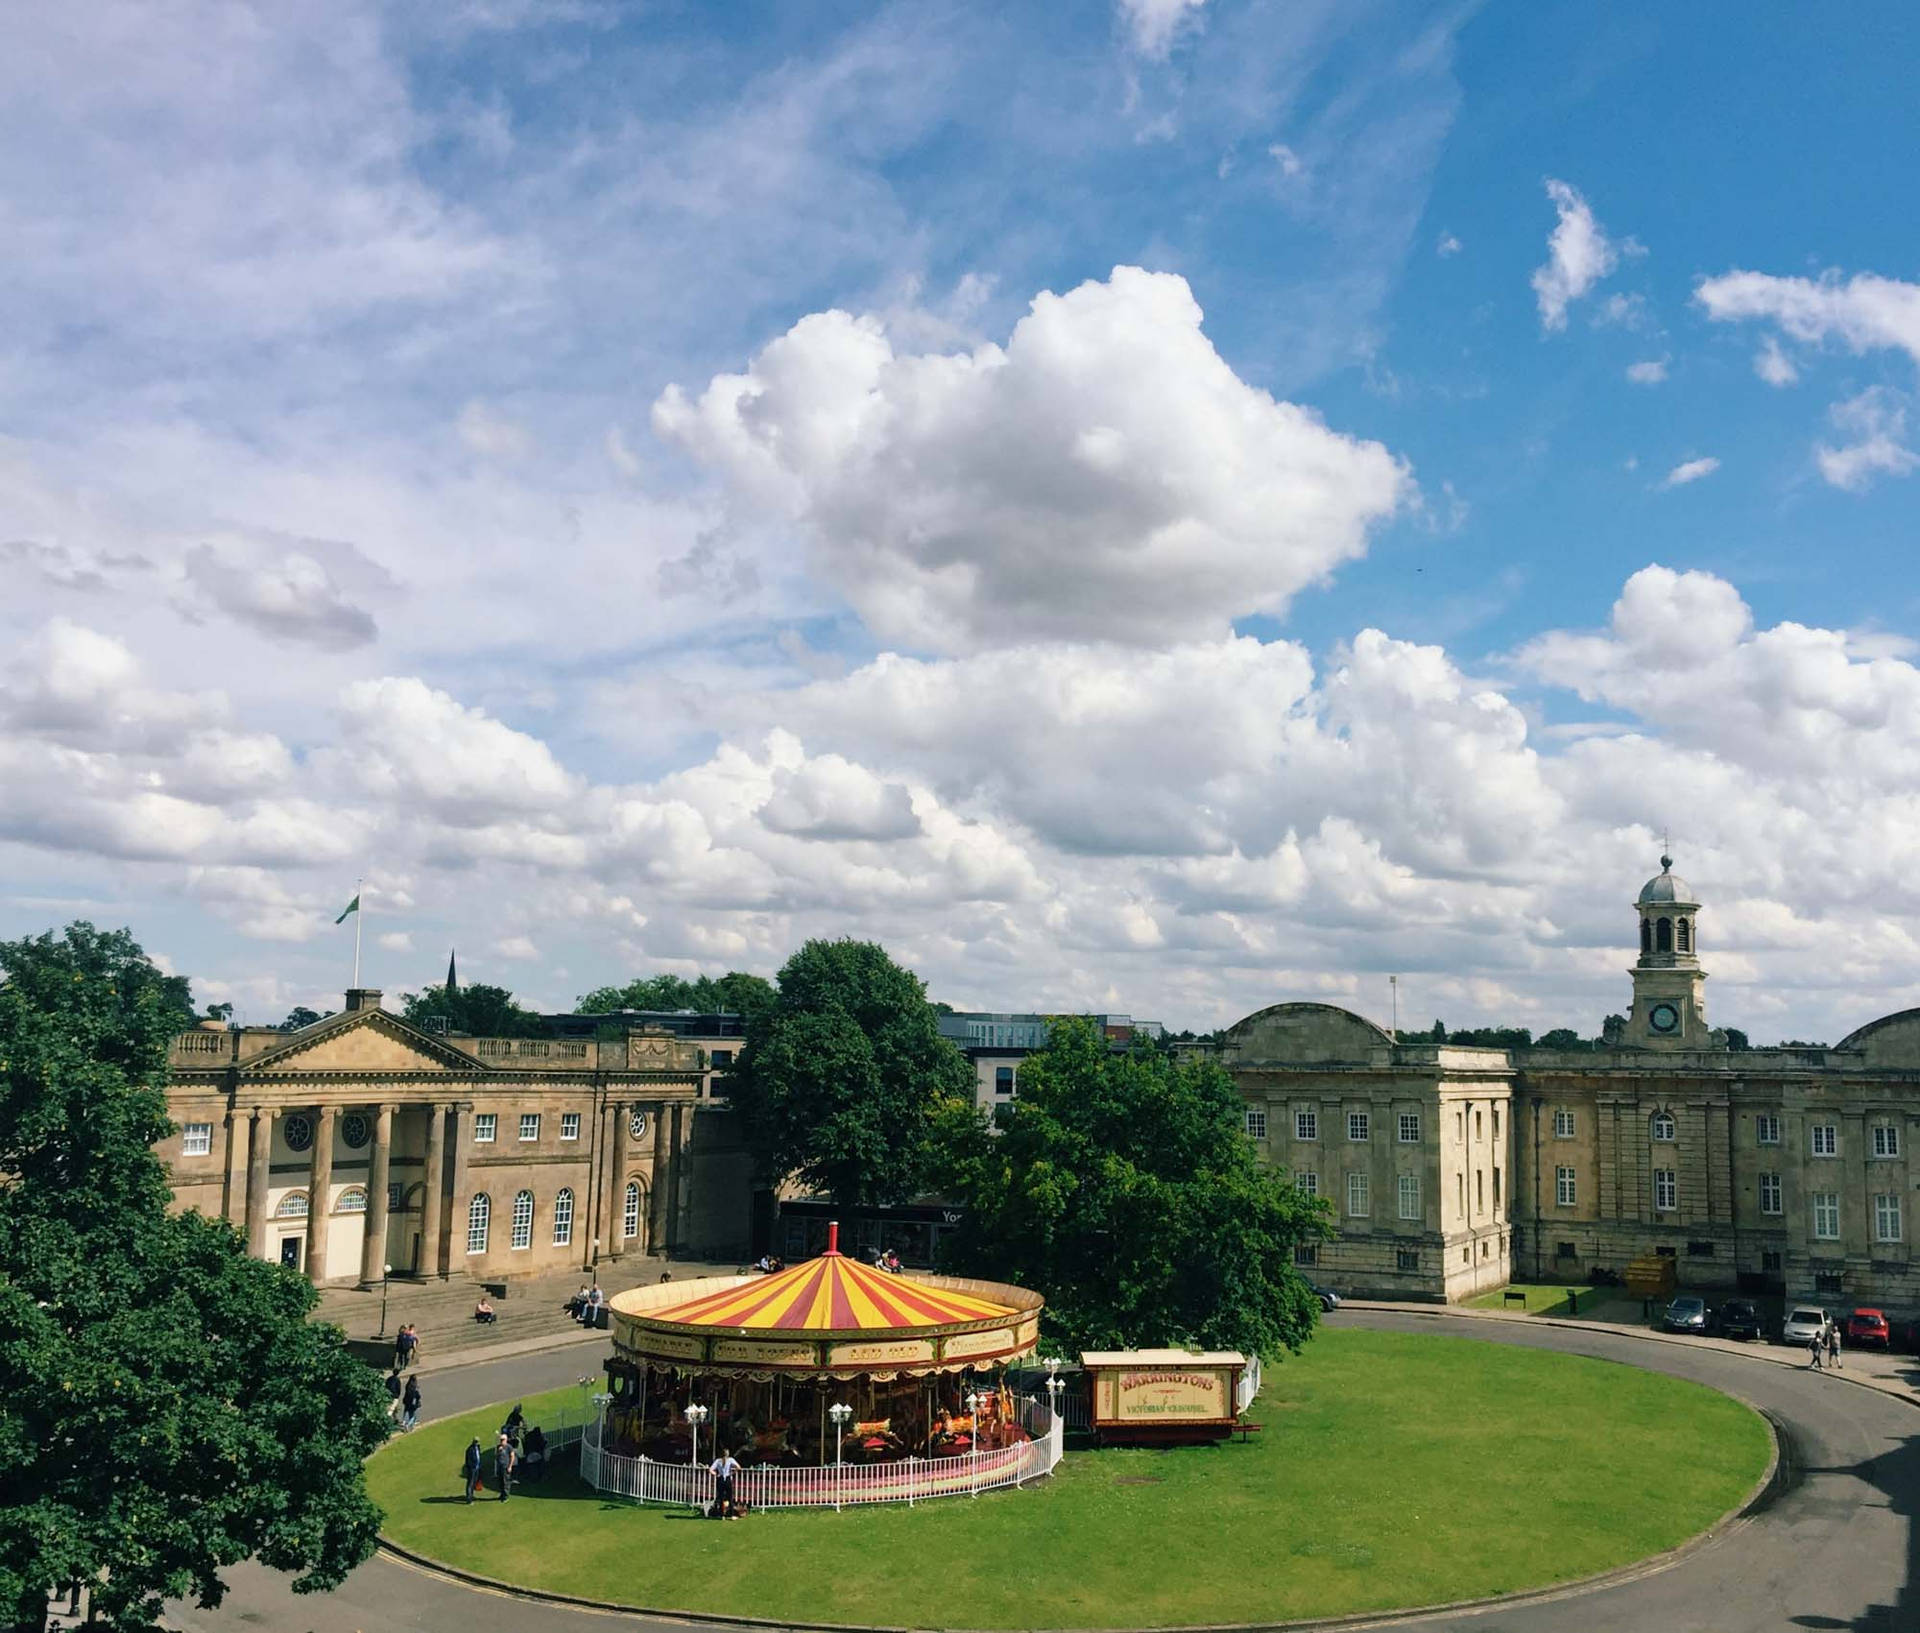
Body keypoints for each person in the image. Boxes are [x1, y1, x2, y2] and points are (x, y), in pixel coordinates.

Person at [710, 1448, 742, 1519]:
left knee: (721, 1497)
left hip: (720, 1479)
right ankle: (732, 1515)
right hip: (727, 1479)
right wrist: (732, 1473)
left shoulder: (718, 1461)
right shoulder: (730, 1460)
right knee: (730, 1497)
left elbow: (710, 1470)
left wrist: (716, 1474)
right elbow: (739, 1467)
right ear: (728, 1454)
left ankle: (722, 1515)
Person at [494, 1431, 516, 1501]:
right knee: (500, 1481)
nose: (501, 1441)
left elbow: (512, 1456)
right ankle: (502, 1494)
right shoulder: (498, 1447)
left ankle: (506, 1496)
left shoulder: (509, 1447)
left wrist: (510, 1466)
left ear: (506, 1440)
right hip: (500, 1466)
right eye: (501, 1440)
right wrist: (498, 1451)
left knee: (505, 1481)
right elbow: (496, 1457)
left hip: (505, 1466)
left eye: (503, 1440)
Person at [462, 1436, 484, 1503]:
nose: (477, 1443)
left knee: (474, 1482)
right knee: (470, 1483)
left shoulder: (478, 1447)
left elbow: (478, 1456)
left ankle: (471, 1495)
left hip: (477, 1468)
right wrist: (472, 1468)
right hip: (472, 1469)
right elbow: (468, 1461)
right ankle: (469, 1499)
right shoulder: (470, 1449)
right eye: (476, 1442)